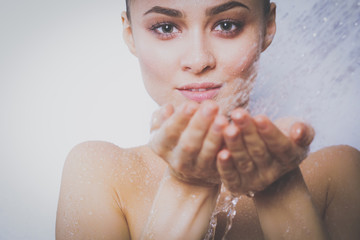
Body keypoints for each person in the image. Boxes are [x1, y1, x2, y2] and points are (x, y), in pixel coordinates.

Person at [56, 0, 360, 239]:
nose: (199, 60)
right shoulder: (99, 173)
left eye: (227, 25)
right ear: (130, 34)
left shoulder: (338, 174)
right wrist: (187, 184)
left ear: (268, 26)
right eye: (164, 28)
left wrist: (280, 190)